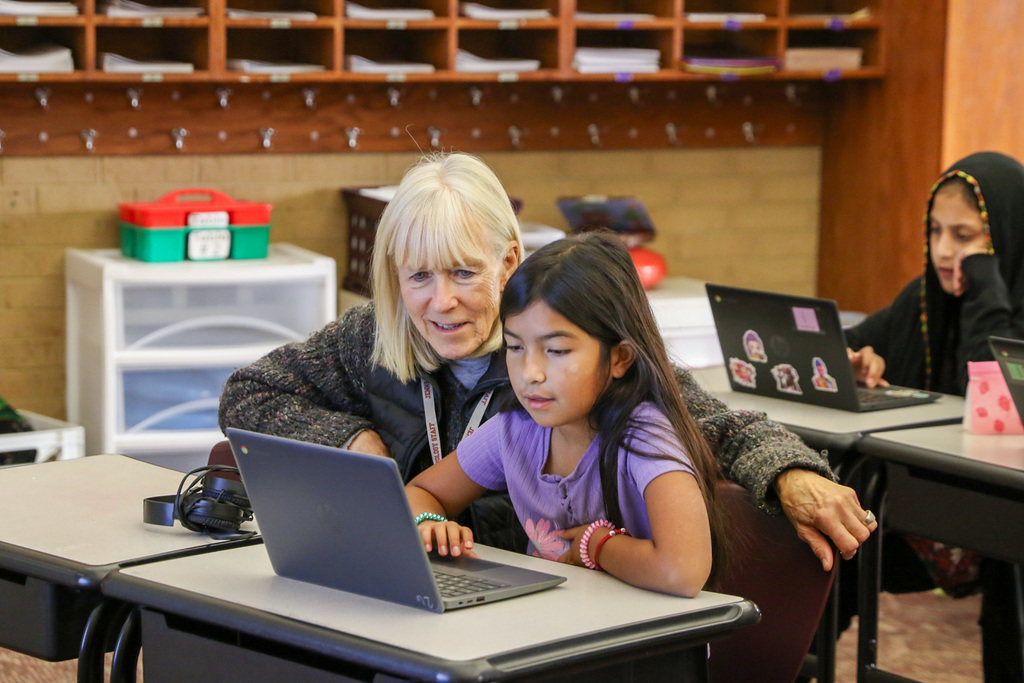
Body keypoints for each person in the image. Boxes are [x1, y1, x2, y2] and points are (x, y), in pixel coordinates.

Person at [218, 151, 875, 567]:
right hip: (418, 588)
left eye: (462, 272)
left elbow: (704, 417)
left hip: (531, 601)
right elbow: (249, 394)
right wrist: (356, 444)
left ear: (508, 260)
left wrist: (789, 473)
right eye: (418, 276)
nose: (440, 301)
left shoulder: (560, 349)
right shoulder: (373, 337)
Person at [406, 232, 727, 595]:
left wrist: (597, 546)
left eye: (557, 350)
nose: (530, 372)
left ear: (619, 358)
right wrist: (429, 521)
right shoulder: (515, 430)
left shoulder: (645, 437)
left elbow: (683, 572)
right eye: (514, 346)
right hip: (551, 632)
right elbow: (421, 491)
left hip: (640, 643)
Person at [844, 150, 1024, 681]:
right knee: (827, 547)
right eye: (936, 232)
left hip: (1004, 518)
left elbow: (988, 386)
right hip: (928, 516)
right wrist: (855, 363)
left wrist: (984, 283)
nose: (946, 252)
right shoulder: (922, 301)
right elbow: (837, 347)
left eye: (967, 237)